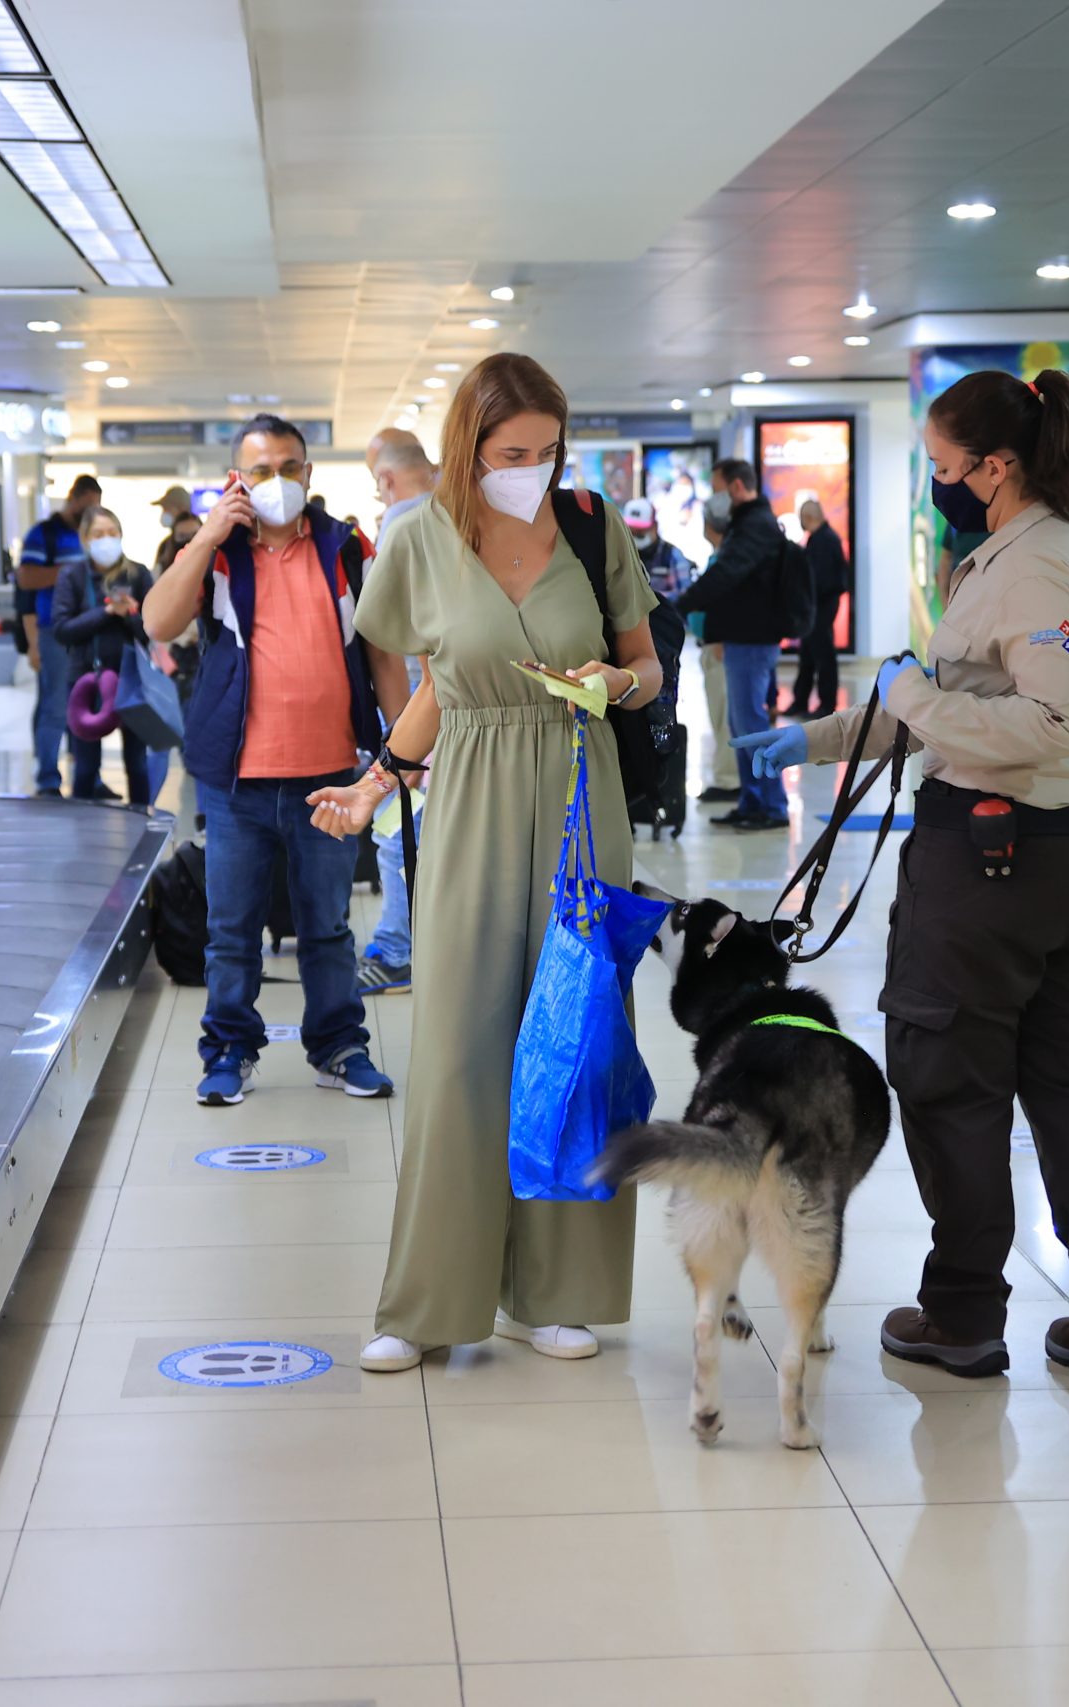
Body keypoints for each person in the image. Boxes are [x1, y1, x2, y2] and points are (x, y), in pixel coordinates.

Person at [735, 368, 1069, 1377]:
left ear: (995, 466)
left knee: (950, 1082)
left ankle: (963, 1313)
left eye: (940, 466)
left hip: (998, 863)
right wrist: (815, 736)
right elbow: (949, 697)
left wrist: (909, 699)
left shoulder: (1031, 570)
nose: (935, 482)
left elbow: (1041, 724)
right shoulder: (1038, 553)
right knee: (1068, 1084)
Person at [305, 352, 664, 1375]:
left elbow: (646, 664)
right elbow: (440, 688)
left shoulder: (592, 528)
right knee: (461, 1050)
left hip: (577, 792)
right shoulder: (419, 539)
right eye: (514, 452)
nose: (534, 469)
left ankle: (558, 1290)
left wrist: (616, 685)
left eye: (548, 451)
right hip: (466, 797)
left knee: (573, 1035)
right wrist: (375, 785)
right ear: (468, 445)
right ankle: (430, 1299)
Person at [141, 414, 400, 1108]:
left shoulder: (346, 549)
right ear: (236, 478)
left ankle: (340, 1046)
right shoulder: (219, 556)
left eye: (288, 466)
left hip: (330, 778)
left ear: (309, 474)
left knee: (328, 925)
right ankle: (228, 1049)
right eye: (259, 470)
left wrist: (403, 745)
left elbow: (381, 651)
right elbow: (158, 622)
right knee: (232, 930)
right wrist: (205, 536)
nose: (276, 481)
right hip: (237, 783)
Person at [358, 429, 441, 994]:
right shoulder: (459, 511)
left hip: (420, 707)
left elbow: (394, 636)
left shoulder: (402, 524)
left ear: (385, 480)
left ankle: (398, 949)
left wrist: (403, 736)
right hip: (465, 707)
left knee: (396, 831)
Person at [679, 458, 791, 830]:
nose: (713, 499)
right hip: (743, 637)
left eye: (717, 489)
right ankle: (752, 800)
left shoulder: (755, 527)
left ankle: (772, 806)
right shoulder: (748, 525)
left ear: (738, 488)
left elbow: (723, 576)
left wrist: (680, 605)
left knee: (751, 724)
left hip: (752, 639)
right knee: (741, 724)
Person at [52, 504, 157, 804]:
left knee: (137, 763)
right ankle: (84, 828)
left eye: (112, 533)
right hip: (86, 678)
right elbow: (62, 629)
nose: (106, 539)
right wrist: (107, 611)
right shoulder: (72, 576)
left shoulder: (138, 574)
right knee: (85, 766)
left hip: (131, 679)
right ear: (85, 539)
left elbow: (152, 629)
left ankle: (142, 823)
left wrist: (129, 614)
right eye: (98, 534)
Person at [22, 474, 100, 797]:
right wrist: (71, 573)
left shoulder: (88, 536)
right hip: (54, 629)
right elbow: (26, 578)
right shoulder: (44, 534)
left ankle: (88, 777)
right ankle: (48, 779)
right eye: (89, 505)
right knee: (54, 703)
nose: (93, 511)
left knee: (87, 701)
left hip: (88, 629)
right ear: (74, 497)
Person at [693, 510, 738, 804]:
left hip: (720, 647)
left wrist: (722, 636)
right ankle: (728, 777)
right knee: (720, 713)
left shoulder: (726, 561)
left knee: (725, 716)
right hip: (711, 646)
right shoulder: (720, 558)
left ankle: (729, 780)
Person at [788, 498, 848, 719]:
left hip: (822, 605)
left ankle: (826, 703)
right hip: (817, 605)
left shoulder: (826, 541)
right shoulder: (820, 539)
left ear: (810, 518)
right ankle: (800, 700)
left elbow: (822, 579)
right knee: (808, 653)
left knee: (823, 654)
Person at [625, 495, 693, 602]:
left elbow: (685, 596)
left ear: (655, 526)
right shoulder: (620, 554)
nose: (635, 535)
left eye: (641, 531)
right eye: (631, 531)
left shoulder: (672, 555)